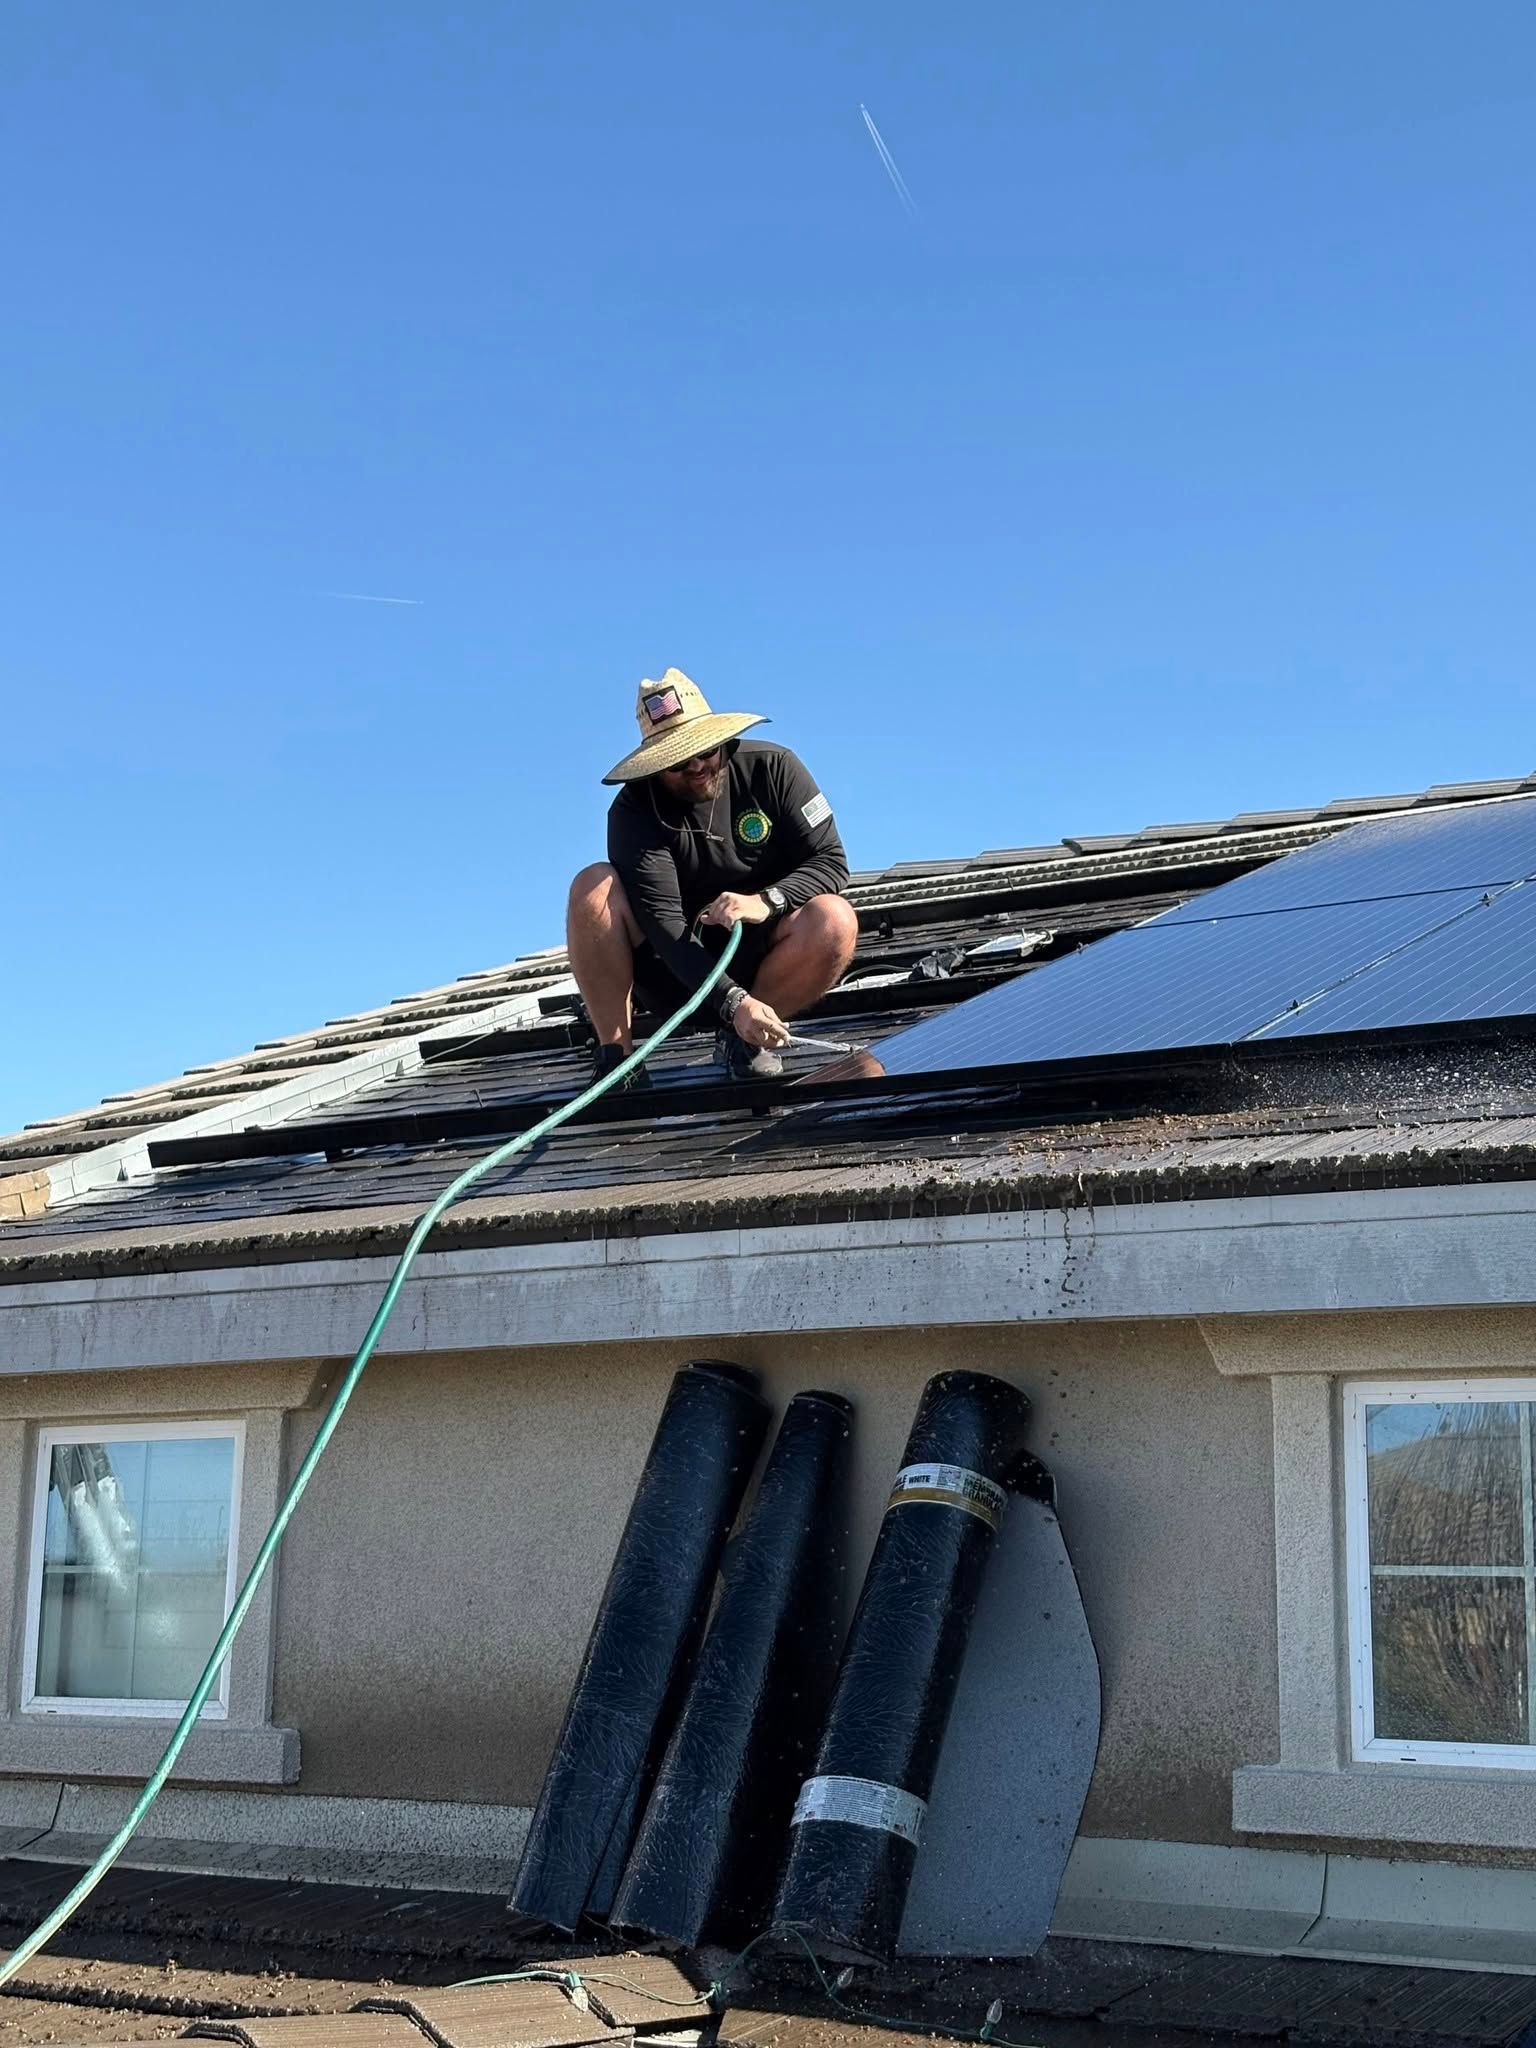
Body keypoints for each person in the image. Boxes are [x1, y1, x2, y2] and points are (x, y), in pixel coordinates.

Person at [568, 668, 858, 1084]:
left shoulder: (775, 769)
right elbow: (665, 927)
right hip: (673, 969)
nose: (699, 766)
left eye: (707, 751)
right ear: (654, 767)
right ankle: (619, 1061)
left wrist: (767, 901)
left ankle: (747, 1039)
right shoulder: (632, 813)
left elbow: (831, 862)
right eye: (679, 763)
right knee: (591, 887)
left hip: (766, 963)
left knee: (836, 919)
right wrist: (731, 1000)